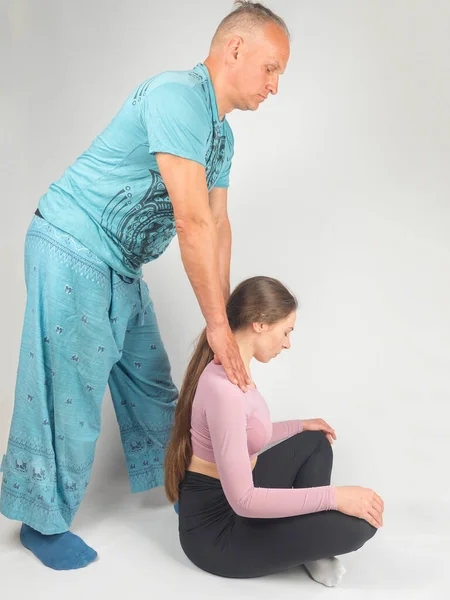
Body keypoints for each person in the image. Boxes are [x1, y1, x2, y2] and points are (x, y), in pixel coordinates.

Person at [0, 2, 290, 570]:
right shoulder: (174, 96)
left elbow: (219, 226)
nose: (275, 86)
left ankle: (192, 492)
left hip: (120, 263)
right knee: (70, 390)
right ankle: (41, 524)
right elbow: (191, 222)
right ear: (235, 50)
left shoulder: (221, 139)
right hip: (71, 243)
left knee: (153, 383)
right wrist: (214, 328)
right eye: (271, 68)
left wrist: (225, 328)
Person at [165, 276, 384, 585]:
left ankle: (308, 543)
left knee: (314, 442)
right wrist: (334, 497)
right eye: (286, 331)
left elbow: (244, 434)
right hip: (218, 535)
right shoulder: (224, 390)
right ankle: (310, 547)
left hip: (236, 497)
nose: (287, 343)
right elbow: (244, 501)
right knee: (360, 526)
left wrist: (299, 426)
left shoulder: (234, 367)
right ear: (261, 324)